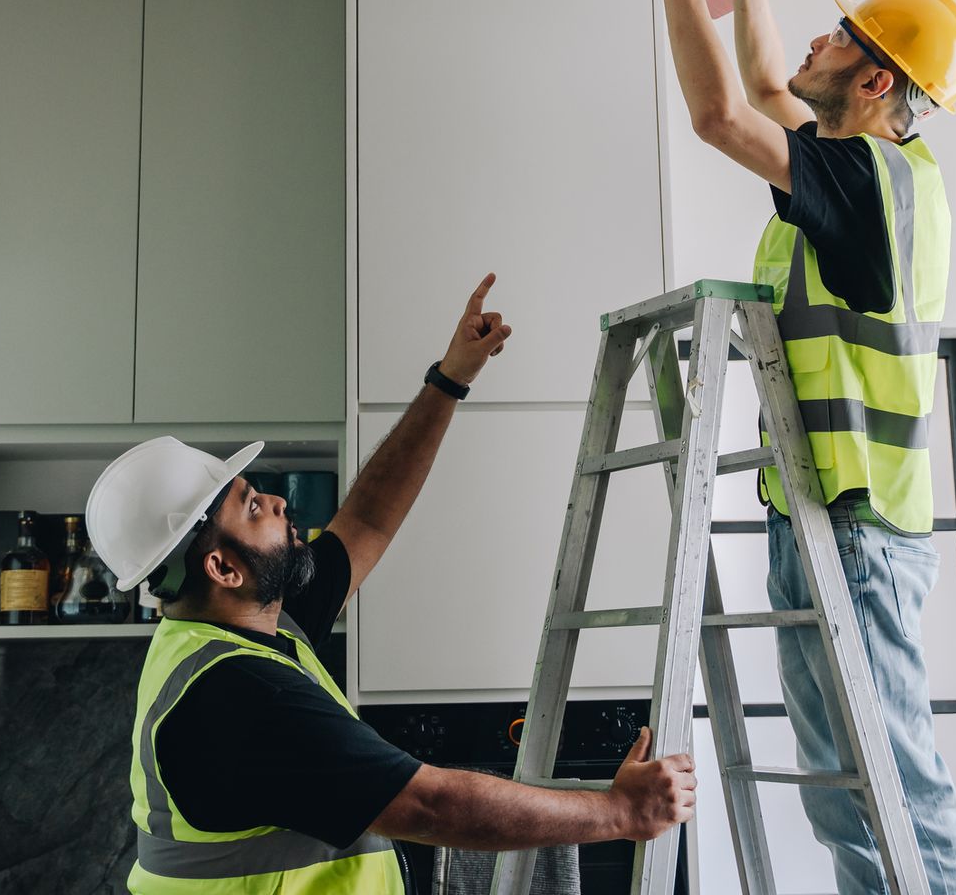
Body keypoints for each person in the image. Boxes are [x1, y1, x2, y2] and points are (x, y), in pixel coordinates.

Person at [86, 274, 697, 894]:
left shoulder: (249, 621)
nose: (274, 501)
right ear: (222, 568)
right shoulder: (238, 695)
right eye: (250, 507)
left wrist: (450, 378)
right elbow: (432, 806)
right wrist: (622, 814)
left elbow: (368, 520)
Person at [628, 0, 956, 894]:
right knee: (842, 788)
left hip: (863, 529)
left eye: (838, 37)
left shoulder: (872, 185)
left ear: (876, 84)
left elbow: (716, 114)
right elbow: (769, 84)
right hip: (822, 521)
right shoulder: (846, 164)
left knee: (898, 780)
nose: (816, 44)